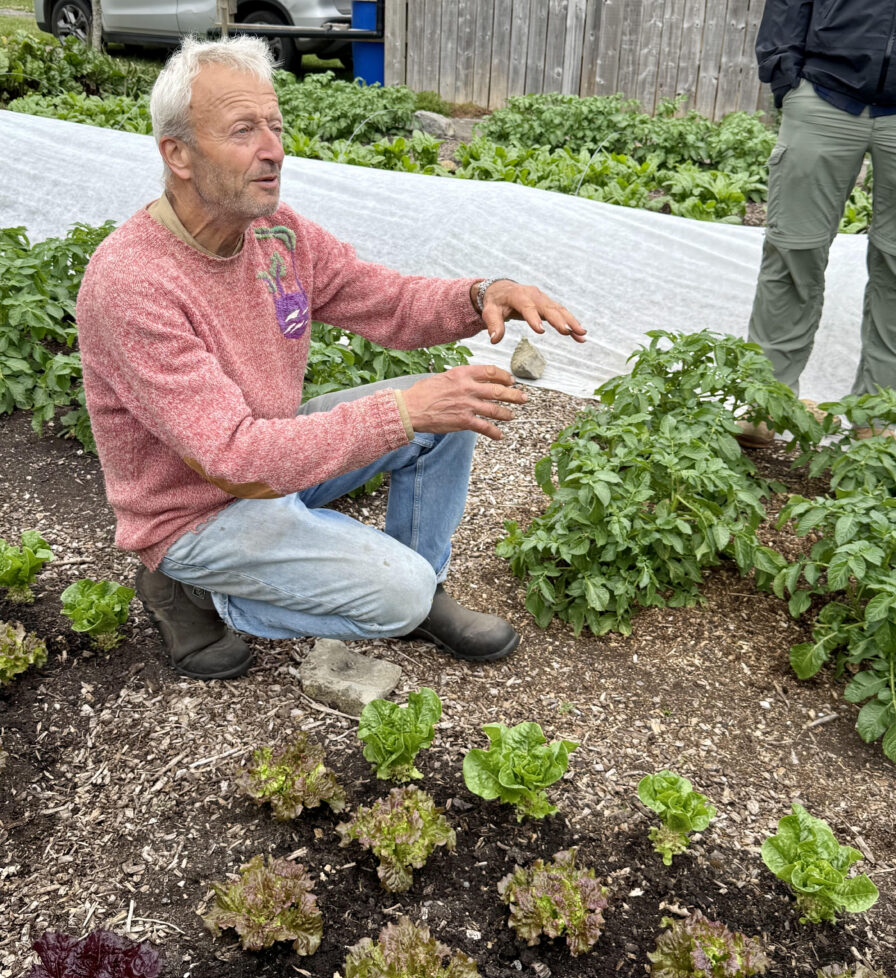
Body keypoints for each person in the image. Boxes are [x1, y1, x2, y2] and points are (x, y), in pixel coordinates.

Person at [75, 36, 587, 680]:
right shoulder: (135, 283)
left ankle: (416, 589)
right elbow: (234, 459)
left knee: (451, 413)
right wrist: (400, 414)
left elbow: (387, 300)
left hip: (272, 453)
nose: (274, 149)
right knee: (397, 577)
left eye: (275, 126)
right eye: (243, 131)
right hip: (196, 508)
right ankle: (198, 589)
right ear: (176, 153)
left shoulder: (274, 232)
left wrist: (483, 294)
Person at [742, 0, 896, 448]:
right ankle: (767, 402)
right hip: (825, 93)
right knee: (794, 249)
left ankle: (880, 414)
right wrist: (785, 75)